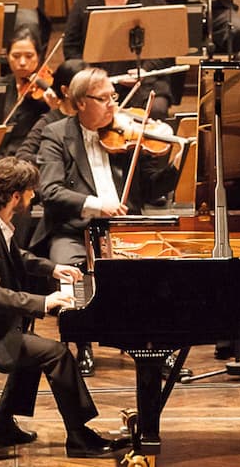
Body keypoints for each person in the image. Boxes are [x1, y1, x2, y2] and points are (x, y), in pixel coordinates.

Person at [0, 157, 128, 458]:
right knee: (57, 354)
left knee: (33, 350)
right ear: (15, 196)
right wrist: (44, 302)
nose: (33, 197)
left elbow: (18, 256)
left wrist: (53, 269)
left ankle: (2, 426)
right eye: (29, 192)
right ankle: (80, 437)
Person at [35, 66, 180, 375]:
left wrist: (176, 157)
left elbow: (152, 187)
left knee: (158, 271)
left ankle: (157, 346)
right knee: (70, 269)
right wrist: (98, 205)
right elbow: (50, 191)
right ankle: (82, 342)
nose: (113, 105)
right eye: (103, 99)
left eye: (113, 97)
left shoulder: (126, 133)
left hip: (124, 228)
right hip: (75, 229)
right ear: (80, 102)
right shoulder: (56, 134)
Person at [63, 0, 177, 118]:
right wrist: (92, 76)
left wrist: (145, 71)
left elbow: (166, 45)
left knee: (155, 110)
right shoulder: (85, 0)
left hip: (145, 79)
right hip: (99, 82)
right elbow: (70, 46)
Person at [0, 26, 62, 159]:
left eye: (29, 56)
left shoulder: (50, 88)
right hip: (2, 158)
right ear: (7, 56)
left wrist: (55, 110)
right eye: (16, 56)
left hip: (34, 158)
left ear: (38, 57)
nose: (22, 62)